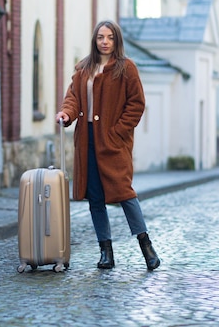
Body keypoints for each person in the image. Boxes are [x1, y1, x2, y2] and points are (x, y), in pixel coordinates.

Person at [55, 20, 160, 271]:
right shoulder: (83, 69)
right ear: (95, 40)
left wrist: (117, 132)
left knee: (124, 193)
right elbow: (73, 99)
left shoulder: (126, 68)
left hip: (112, 141)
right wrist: (66, 114)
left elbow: (136, 104)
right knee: (95, 197)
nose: (105, 41)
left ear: (116, 40)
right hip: (86, 140)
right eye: (101, 37)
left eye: (110, 37)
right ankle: (106, 251)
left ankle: (146, 246)